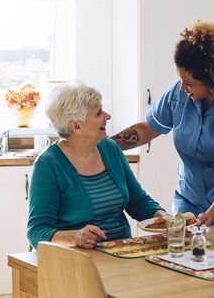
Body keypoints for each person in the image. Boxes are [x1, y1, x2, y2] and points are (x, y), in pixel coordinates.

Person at [112, 21, 214, 234]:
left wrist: (209, 216)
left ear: (213, 80)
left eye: (190, 83)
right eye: (181, 80)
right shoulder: (179, 93)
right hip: (189, 204)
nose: (183, 87)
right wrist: (106, 145)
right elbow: (147, 129)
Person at [27, 83, 166, 249]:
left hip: (120, 252)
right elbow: (37, 231)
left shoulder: (110, 148)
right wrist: (76, 237)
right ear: (76, 126)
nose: (107, 116)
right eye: (99, 113)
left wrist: (164, 217)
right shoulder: (48, 164)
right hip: (75, 259)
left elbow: (138, 202)